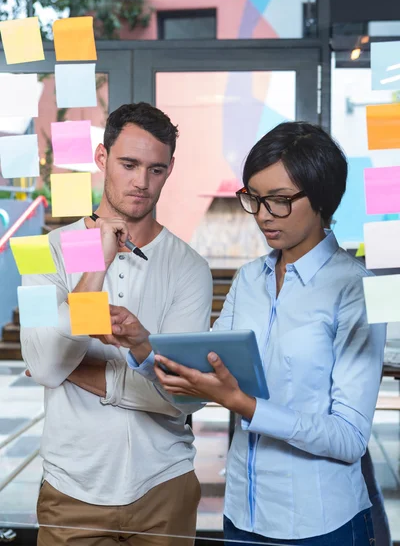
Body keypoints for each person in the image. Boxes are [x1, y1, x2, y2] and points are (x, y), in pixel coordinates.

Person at [151, 122, 387, 545]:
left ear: (321, 200)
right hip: (244, 514)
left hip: (320, 524)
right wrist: (138, 345)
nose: (262, 215)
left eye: (278, 201)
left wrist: (244, 404)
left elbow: (350, 438)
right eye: (254, 199)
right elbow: (205, 371)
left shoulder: (356, 289)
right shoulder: (249, 279)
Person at [21, 102, 213, 546]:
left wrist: (96, 376)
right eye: (129, 164)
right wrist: (96, 262)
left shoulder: (190, 268)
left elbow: (181, 399)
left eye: (156, 169)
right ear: (102, 158)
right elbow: (48, 368)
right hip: (71, 487)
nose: (141, 182)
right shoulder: (40, 253)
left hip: (164, 485)